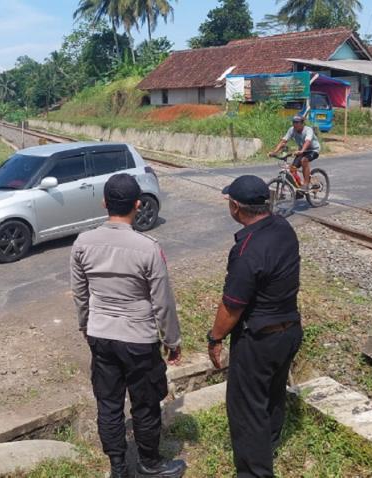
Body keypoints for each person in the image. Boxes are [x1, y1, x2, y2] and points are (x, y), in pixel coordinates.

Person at [71, 173, 186, 478]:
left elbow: (80, 293)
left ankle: (118, 468)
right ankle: (148, 463)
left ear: (105, 203)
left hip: (100, 334)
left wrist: (86, 326)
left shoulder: (83, 243)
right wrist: (171, 340)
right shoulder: (147, 247)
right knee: (145, 402)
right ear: (137, 204)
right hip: (138, 338)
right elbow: (162, 300)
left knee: (108, 404)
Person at [207, 175, 304, 478]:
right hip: (288, 331)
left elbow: (232, 306)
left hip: (259, 340)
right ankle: (269, 444)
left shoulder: (246, 250)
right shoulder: (284, 228)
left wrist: (215, 337)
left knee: (246, 410)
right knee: (273, 395)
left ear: (235, 207)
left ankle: (254, 471)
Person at [269, 115, 320, 191]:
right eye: (293, 122)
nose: (295, 124)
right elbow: (283, 141)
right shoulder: (292, 130)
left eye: (297, 122)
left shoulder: (308, 130)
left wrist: (302, 151)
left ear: (302, 123)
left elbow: (308, 141)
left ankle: (306, 184)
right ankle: (299, 189)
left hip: (313, 150)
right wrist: (274, 152)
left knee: (304, 160)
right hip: (301, 151)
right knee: (292, 170)